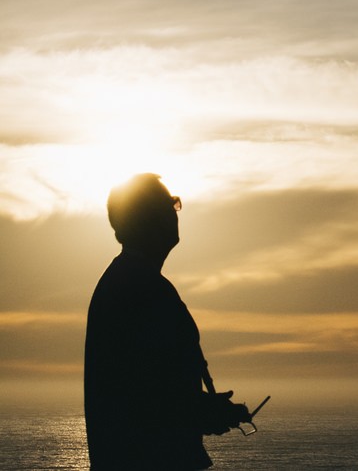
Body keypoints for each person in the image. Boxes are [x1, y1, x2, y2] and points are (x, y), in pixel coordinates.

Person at [85, 173, 248, 470]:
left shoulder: (132, 282)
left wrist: (201, 407)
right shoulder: (139, 288)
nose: (175, 212)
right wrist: (203, 411)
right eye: (168, 204)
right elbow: (140, 398)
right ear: (145, 218)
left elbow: (149, 384)